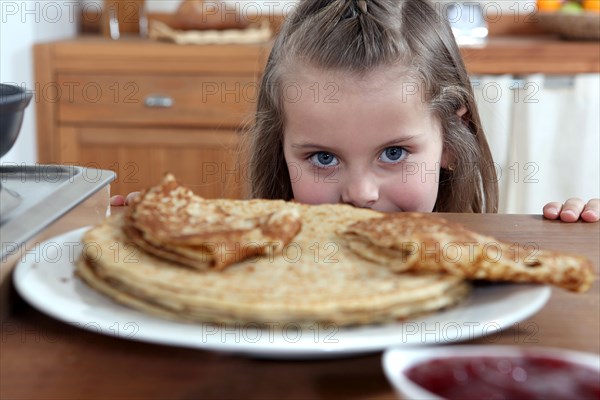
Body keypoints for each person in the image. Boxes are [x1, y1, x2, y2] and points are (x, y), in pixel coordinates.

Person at [111, 0, 599, 222]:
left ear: (450, 140)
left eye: (393, 152)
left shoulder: (488, 274)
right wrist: (155, 239)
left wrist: (586, 231)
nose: (361, 194)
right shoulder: (251, 265)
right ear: (280, 150)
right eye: (323, 158)